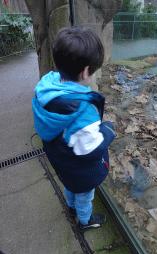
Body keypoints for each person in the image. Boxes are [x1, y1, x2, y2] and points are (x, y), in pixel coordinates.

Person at [32, 26, 116, 233]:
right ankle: (86, 220)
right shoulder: (82, 110)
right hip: (79, 170)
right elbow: (90, 149)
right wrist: (107, 131)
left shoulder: (47, 86)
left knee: (69, 185)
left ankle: (70, 207)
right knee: (84, 195)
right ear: (86, 71)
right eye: (95, 71)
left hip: (60, 160)